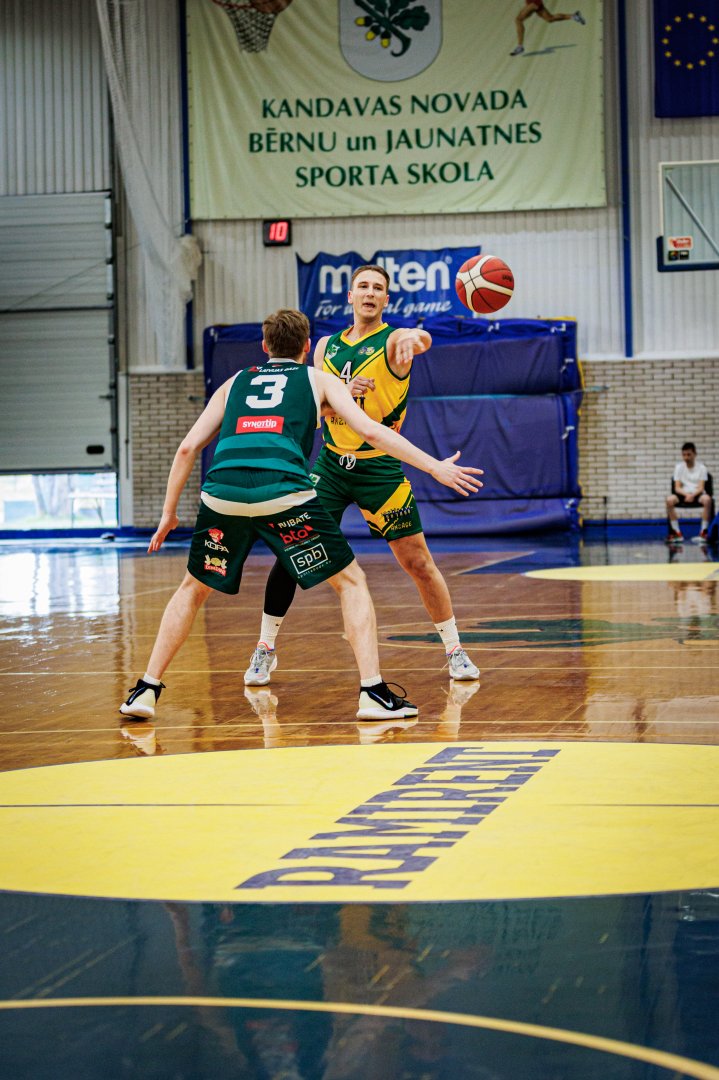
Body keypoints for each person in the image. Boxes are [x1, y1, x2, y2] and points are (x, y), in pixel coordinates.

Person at [120, 309, 482, 723]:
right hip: (283, 491)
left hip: (223, 492)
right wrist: (434, 466)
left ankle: (145, 689)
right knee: (351, 582)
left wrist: (168, 514)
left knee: (192, 588)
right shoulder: (319, 379)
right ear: (308, 347)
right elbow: (371, 431)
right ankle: (372, 693)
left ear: (264, 346)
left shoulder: (235, 381)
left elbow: (187, 448)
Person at [245, 265, 481, 689]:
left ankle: (454, 649)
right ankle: (265, 647)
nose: (370, 293)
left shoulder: (393, 341)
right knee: (291, 551)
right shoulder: (325, 348)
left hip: (380, 468)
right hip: (332, 466)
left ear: (386, 299)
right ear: (350, 296)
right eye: (363, 286)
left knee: (418, 562)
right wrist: (342, 394)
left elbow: (419, 339)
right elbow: (316, 409)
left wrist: (415, 337)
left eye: (378, 288)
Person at [666, 441, 711, 544]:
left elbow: (701, 487)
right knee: (669, 500)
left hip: (697, 493)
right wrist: (687, 495)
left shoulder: (702, 468)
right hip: (683, 494)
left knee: (707, 499)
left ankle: (703, 533)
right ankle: (677, 533)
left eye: (689, 454)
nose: (686, 457)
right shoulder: (678, 467)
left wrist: (692, 495)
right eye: (684, 455)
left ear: (695, 454)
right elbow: (677, 488)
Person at [510, 2, 585, 56]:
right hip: (534, 2)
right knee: (550, 18)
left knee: (518, 20)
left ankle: (520, 47)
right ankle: (574, 16)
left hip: (533, 2)